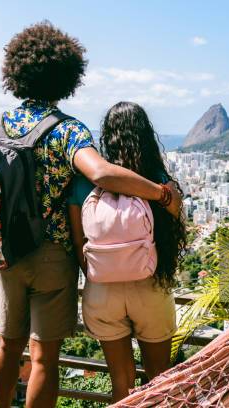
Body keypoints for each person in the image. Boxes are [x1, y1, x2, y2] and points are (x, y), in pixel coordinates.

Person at [0, 23, 179, 408]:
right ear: (67, 78)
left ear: (15, 74)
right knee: (43, 359)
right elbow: (100, 173)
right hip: (51, 255)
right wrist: (161, 192)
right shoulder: (67, 130)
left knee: (6, 345)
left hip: (3, 252)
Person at [68, 101, 187, 402]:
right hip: (150, 286)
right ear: (146, 134)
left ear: (107, 137)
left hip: (101, 290)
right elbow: (174, 231)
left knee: (122, 382)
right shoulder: (160, 183)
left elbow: (78, 244)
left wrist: (101, 273)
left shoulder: (83, 183)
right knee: (159, 377)